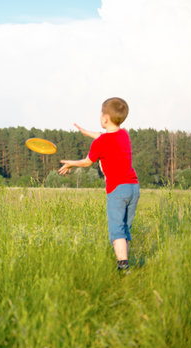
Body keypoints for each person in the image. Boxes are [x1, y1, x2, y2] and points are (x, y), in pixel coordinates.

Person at [58, 97, 139, 271]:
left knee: (117, 230)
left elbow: (87, 162)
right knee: (125, 228)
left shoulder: (100, 143)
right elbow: (107, 136)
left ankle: (123, 268)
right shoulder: (124, 134)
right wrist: (86, 132)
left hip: (117, 190)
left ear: (105, 118)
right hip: (133, 187)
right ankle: (125, 259)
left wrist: (71, 163)